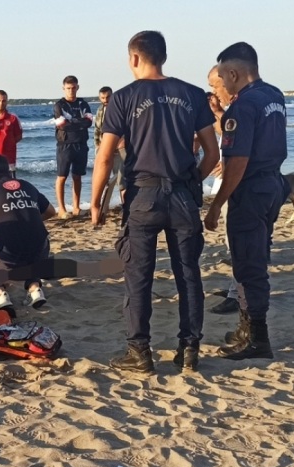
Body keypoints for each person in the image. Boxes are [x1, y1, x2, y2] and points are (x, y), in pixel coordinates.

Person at [90, 30, 219, 373]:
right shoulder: (192, 94)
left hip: (142, 195)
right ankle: (190, 350)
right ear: (163, 56)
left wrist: (96, 202)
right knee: (188, 274)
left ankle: (139, 351)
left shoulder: (124, 97)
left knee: (139, 276)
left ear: (134, 58)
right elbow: (212, 152)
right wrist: (192, 181)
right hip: (181, 194)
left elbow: (104, 158)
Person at [203, 42, 290, 361]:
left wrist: (215, 205)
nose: (222, 85)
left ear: (234, 73)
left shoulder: (242, 107)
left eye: (222, 78)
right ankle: (246, 329)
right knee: (255, 256)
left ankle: (258, 338)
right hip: (273, 184)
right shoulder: (274, 95)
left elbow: (236, 164)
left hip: (251, 191)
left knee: (247, 264)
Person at [0, 154, 56, 309]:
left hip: (9, 258)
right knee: (29, 243)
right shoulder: (26, 185)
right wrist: (27, 222)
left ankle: (0, 294)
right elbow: (51, 212)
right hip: (42, 250)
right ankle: (35, 289)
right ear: (8, 170)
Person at [206, 65, 241, 315]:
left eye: (215, 86)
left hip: (235, 184)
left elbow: (238, 147)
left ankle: (237, 293)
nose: (214, 92)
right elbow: (223, 133)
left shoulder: (242, 106)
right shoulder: (231, 108)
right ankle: (235, 287)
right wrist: (218, 112)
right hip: (228, 179)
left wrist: (227, 163)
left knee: (238, 241)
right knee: (232, 241)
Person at [53, 76, 93, 218]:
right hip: (65, 145)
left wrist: (72, 122)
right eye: (68, 88)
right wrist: (78, 123)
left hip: (81, 144)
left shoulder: (83, 103)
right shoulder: (59, 105)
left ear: (77, 87)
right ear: (64, 88)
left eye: (73, 87)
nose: (71, 90)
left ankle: (76, 208)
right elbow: (62, 124)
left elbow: (88, 122)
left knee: (77, 176)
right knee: (62, 177)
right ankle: (62, 210)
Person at [94, 86, 126, 219]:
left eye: (107, 97)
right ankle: (102, 207)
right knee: (106, 180)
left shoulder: (120, 109)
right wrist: (98, 146)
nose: (105, 100)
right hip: (104, 149)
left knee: (122, 179)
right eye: (102, 98)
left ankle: (126, 206)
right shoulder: (100, 110)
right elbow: (97, 130)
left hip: (120, 148)